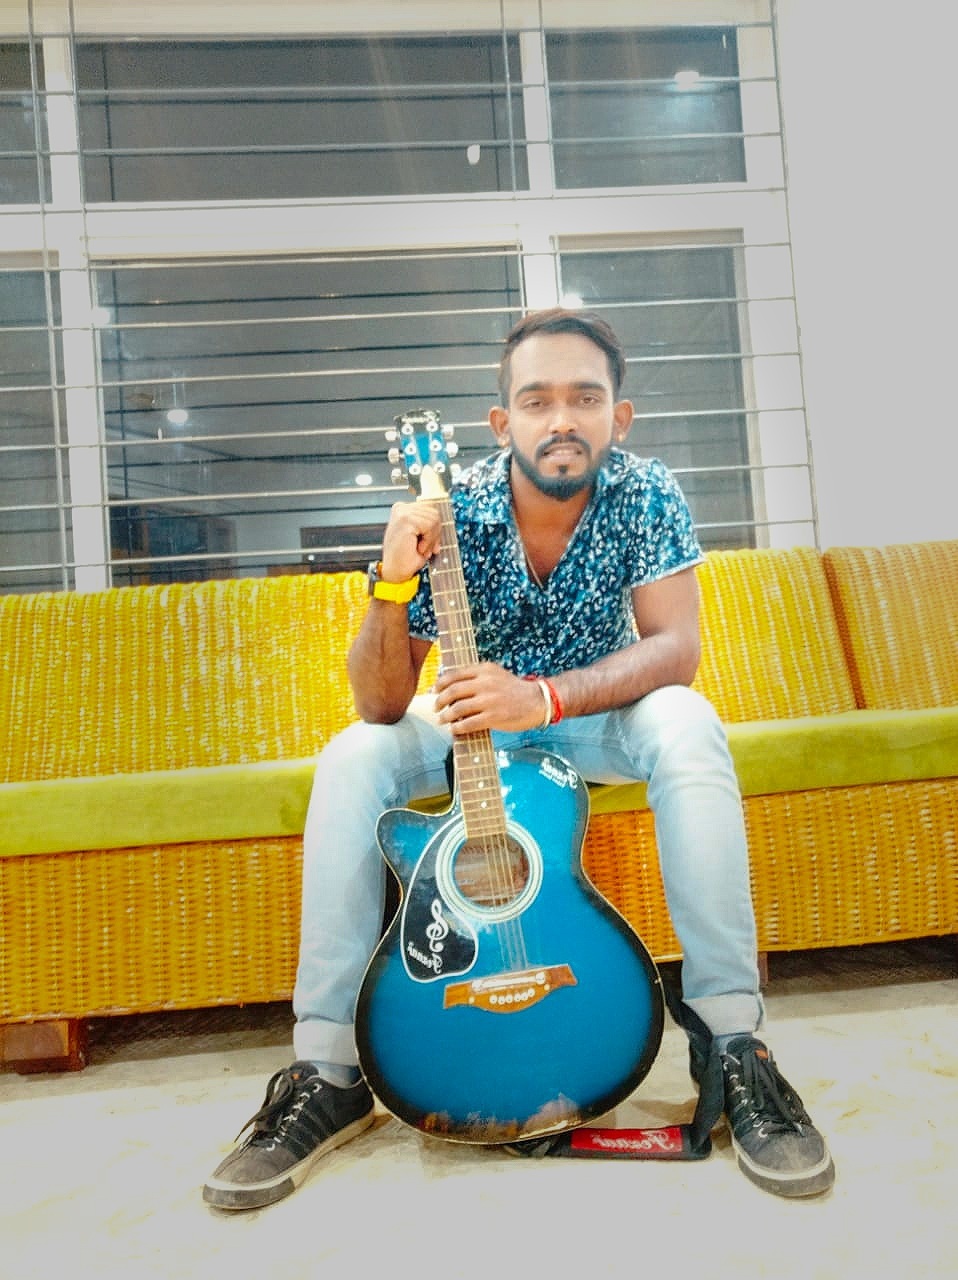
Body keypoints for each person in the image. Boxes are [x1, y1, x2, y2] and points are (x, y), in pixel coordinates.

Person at [203, 307, 835, 1210]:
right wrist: (390, 584)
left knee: (688, 720)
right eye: (537, 401)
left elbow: (674, 650)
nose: (562, 419)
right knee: (353, 754)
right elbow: (381, 701)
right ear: (503, 422)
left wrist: (540, 698)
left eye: (586, 398)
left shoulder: (647, 492)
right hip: (469, 725)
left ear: (619, 416)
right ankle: (329, 1069)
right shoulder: (451, 508)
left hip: (587, 717)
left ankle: (731, 1043)